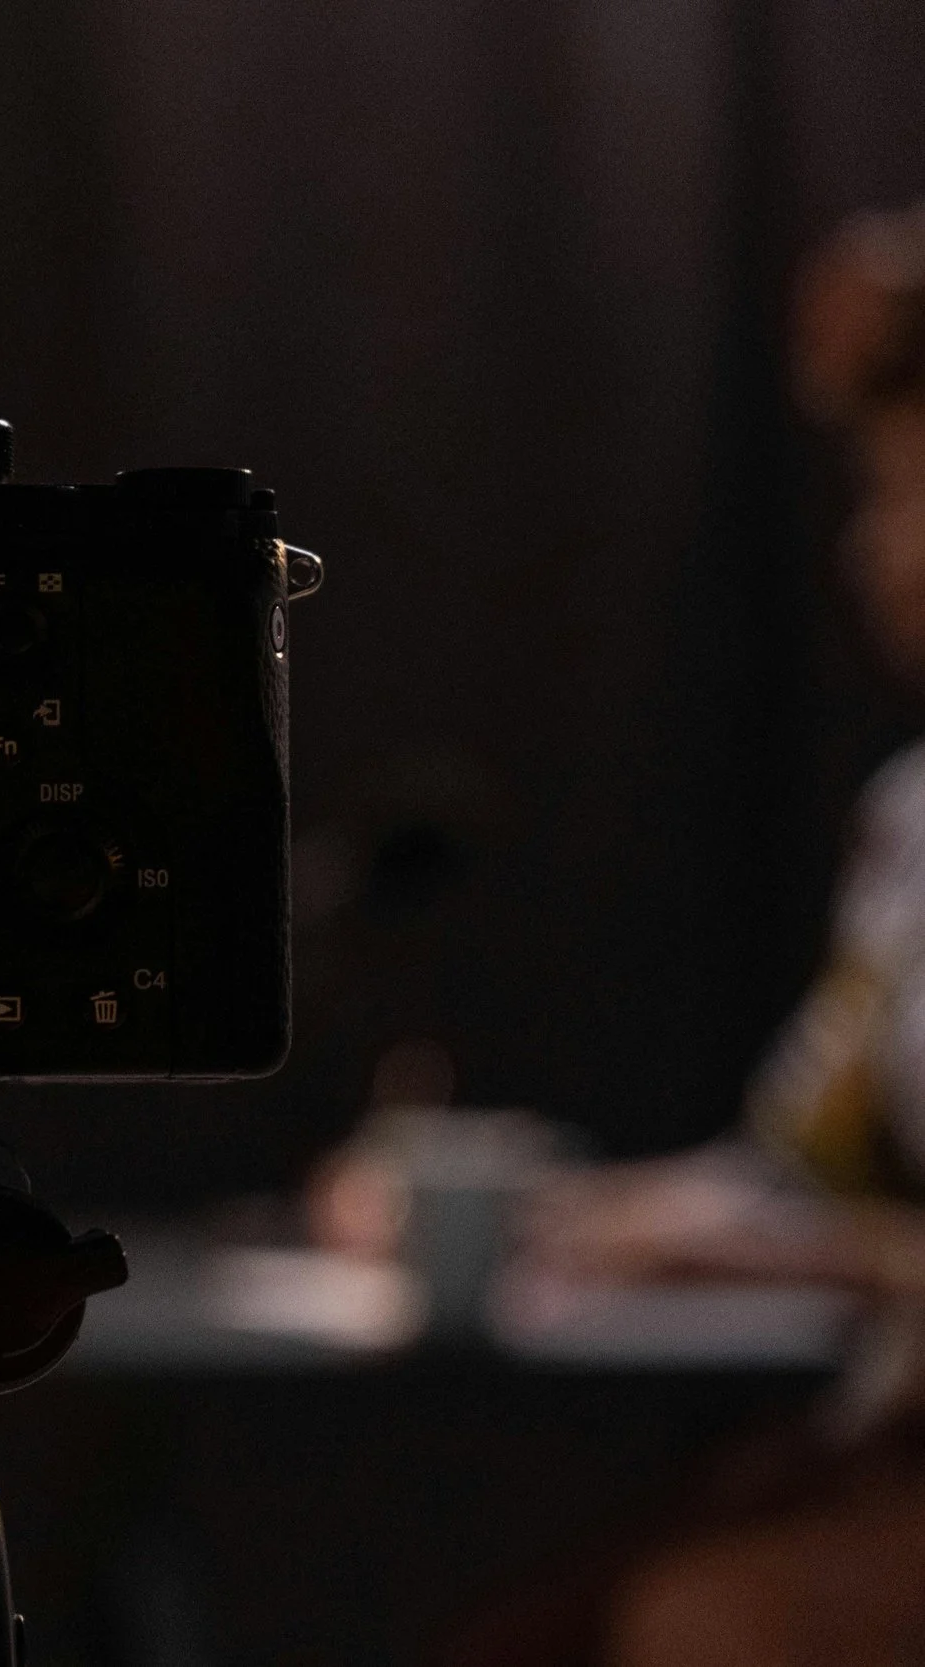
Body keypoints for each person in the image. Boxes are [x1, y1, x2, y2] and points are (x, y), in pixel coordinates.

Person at [434, 203, 925, 1667]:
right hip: (881, 1436)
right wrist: (546, 1210)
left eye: (910, 495)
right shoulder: (913, 819)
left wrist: (846, 1264)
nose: (873, 551)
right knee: (517, 1634)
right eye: (873, 495)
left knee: (696, 1624)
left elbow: (848, 1235)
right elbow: (798, 1174)